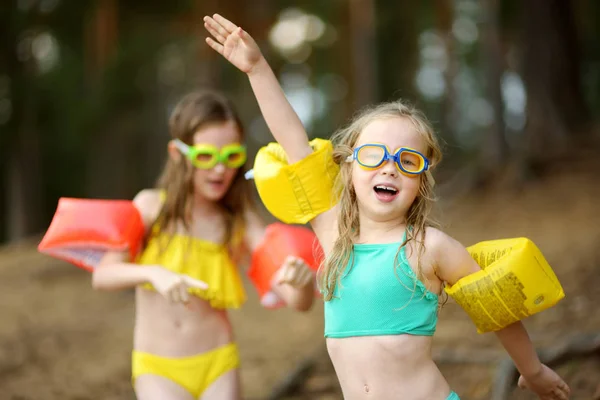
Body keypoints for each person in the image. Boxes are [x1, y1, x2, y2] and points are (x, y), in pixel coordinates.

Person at [202, 14, 571, 400]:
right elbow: (293, 140)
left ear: (421, 182)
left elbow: (496, 308)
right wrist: (257, 68)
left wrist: (533, 369)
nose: (389, 168)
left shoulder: (429, 247)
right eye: (374, 155)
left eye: (407, 161)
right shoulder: (332, 233)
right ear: (347, 168)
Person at [91, 90, 316, 400]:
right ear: (177, 153)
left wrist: (302, 283)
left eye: (232, 157)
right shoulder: (149, 208)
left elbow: (298, 302)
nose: (221, 169)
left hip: (218, 363)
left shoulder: (237, 221)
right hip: (157, 367)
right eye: (207, 156)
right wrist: (153, 273)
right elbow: (102, 275)